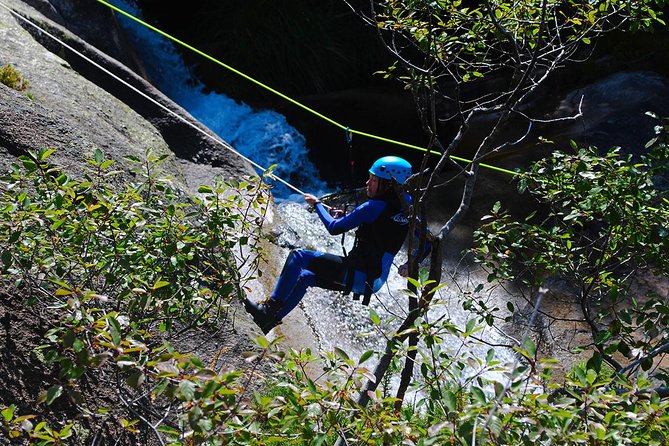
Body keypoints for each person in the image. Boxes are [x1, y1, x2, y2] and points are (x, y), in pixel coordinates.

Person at [244, 155, 426, 334]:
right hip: (374, 281)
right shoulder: (407, 206)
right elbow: (427, 241)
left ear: (388, 185)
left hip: (359, 274)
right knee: (307, 277)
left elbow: (333, 228)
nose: (367, 183)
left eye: (373, 179)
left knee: (299, 257)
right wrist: (412, 263)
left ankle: (268, 310)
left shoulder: (372, 207)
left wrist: (317, 205)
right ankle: (268, 322)